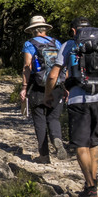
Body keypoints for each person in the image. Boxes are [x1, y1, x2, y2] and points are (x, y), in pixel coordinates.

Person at [46, 18, 98, 197]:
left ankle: (89, 186)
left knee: (81, 144)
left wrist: (48, 95)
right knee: (95, 140)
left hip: (77, 99)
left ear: (74, 31)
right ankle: (93, 180)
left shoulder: (68, 45)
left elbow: (53, 75)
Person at [17, 15, 65, 163]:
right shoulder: (57, 43)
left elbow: (27, 66)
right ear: (45, 29)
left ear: (32, 30)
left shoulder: (29, 44)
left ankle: (44, 156)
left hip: (37, 86)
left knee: (39, 120)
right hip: (56, 85)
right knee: (54, 118)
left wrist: (24, 86)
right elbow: (64, 65)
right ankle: (57, 138)